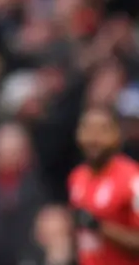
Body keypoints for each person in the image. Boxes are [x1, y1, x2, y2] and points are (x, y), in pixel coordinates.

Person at [68, 107, 139, 265]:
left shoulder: (133, 179)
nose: (93, 138)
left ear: (117, 135)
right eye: (87, 129)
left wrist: (100, 226)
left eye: (102, 130)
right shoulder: (76, 177)